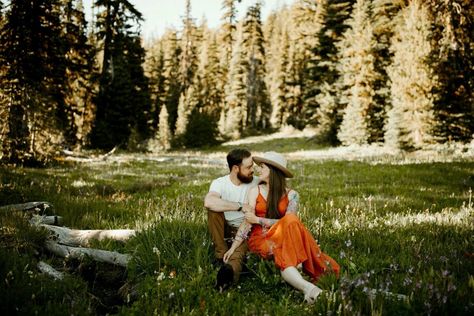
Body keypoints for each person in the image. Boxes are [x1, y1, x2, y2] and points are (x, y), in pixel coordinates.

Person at [223, 151, 340, 304]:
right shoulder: (255, 191)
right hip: (262, 239)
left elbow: (288, 223)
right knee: (290, 230)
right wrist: (233, 247)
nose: (259, 170)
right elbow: (247, 222)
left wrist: (259, 219)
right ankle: (302, 273)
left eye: (263, 167)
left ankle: (310, 291)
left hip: (286, 236)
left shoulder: (292, 195)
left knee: (290, 223)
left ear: (272, 171)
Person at [204, 148, 259, 291]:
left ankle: (227, 275)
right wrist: (240, 206)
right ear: (235, 168)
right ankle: (220, 255)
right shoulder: (220, 183)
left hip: (246, 230)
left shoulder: (257, 183)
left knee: (237, 254)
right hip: (225, 229)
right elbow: (209, 202)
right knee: (213, 211)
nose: (252, 170)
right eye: (248, 167)